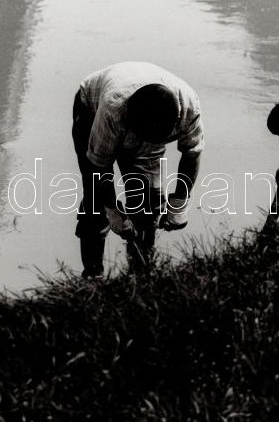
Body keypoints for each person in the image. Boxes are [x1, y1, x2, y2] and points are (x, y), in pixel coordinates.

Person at [72, 62, 205, 278]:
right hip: (91, 107)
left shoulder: (189, 107)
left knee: (147, 205)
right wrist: (112, 208)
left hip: (146, 124)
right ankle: (93, 276)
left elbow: (192, 153)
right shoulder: (112, 111)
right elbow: (99, 165)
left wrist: (180, 201)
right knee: (95, 202)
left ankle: (140, 274)